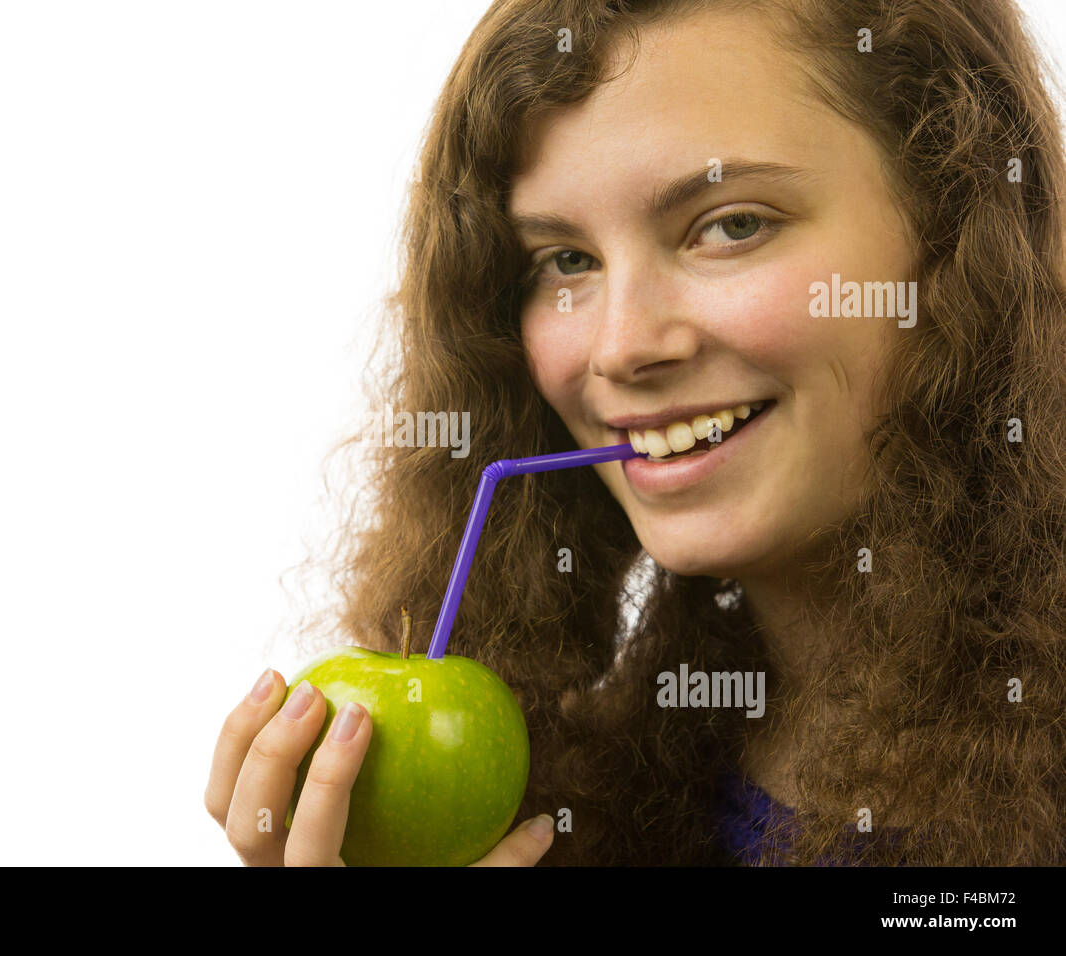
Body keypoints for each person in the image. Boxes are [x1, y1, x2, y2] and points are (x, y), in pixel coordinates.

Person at [205, 0, 1066, 866]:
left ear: (960, 229)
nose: (621, 349)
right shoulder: (580, 792)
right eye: (565, 261)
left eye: (731, 226)